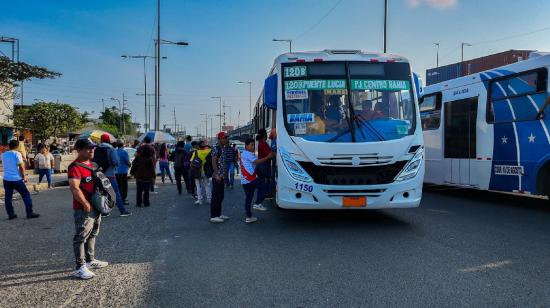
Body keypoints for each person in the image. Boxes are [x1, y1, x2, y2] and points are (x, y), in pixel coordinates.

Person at [68, 138, 109, 280]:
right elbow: (74, 187)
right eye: (87, 148)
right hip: (84, 208)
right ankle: (80, 267)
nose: (91, 150)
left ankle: (90, 260)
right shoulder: (75, 167)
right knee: (81, 236)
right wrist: (85, 203)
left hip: (96, 206)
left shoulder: (92, 164)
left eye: (92, 148)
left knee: (93, 233)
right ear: (78, 150)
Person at [93, 134, 131, 217]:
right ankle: (122, 211)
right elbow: (116, 161)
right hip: (110, 174)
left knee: (103, 193)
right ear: (109, 140)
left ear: (101, 140)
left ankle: (104, 212)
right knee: (116, 192)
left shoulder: (97, 149)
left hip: (100, 174)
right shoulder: (111, 149)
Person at [2, 139, 39, 220]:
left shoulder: (3, 155)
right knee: (26, 195)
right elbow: (21, 167)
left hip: (6, 179)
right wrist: (24, 177)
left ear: (9, 145)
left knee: (8, 197)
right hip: (16, 179)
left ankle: (11, 214)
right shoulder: (17, 153)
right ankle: (29, 213)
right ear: (17, 146)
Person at [240, 138, 274, 223]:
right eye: (251, 145)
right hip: (250, 178)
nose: (253, 147)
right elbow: (257, 161)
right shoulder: (247, 154)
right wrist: (268, 157)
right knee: (265, 187)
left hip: (245, 180)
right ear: (246, 146)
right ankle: (258, 203)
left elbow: (253, 164)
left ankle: (249, 217)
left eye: (253, 145)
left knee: (248, 198)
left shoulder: (244, 154)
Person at [210, 132, 232, 223]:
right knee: (216, 196)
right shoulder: (216, 148)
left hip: (222, 175)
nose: (226, 139)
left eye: (226, 137)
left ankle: (218, 214)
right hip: (217, 176)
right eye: (224, 138)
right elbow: (213, 162)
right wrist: (217, 174)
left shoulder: (223, 148)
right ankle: (213, 216)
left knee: (221, 195)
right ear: (219, 139)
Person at [190, 141, 212, 205]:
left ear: (198, 146)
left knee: (198, 186)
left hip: (197, 171)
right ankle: (209, 199)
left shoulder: (196, 152)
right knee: (207, 185)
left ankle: (200, 200)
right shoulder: (209, 151)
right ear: (205, 146)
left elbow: (191, 163)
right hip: (206, 171)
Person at [254, 129, 271, 208]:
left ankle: (258, 202)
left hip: (260, 167)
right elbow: (269, 155)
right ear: (265, 135)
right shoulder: (263, 144)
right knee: (264, 187)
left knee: (261, 186)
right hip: (263, 167)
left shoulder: (260, 143)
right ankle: (258, 203)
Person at [115, 140, 131, 205]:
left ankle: (117, 199)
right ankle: (123, 199)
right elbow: (128, 162)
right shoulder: (124, 152)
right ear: (123, 145)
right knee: (124, 186)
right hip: (123, 171)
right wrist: (129, 165)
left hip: (116, 171)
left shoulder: (115, 152)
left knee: (118, 186)